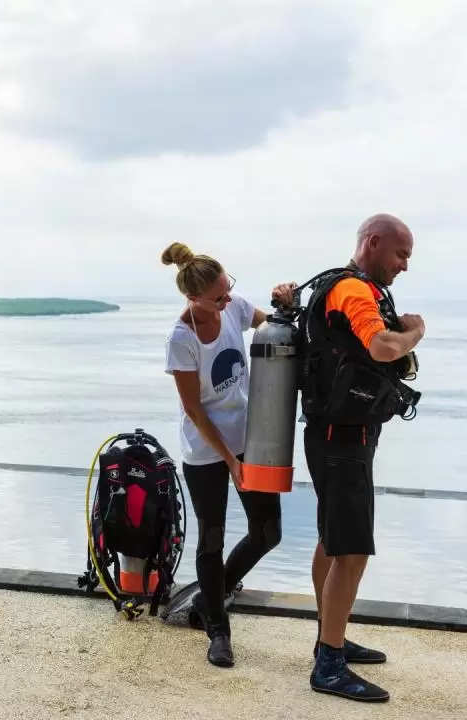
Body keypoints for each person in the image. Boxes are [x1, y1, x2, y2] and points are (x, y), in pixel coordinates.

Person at [271, 213, 425, 703]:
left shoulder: (337, 288)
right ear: (373, 243)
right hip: (343, 439)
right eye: (401, 255)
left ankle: (328, 637)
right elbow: (382, 348)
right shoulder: (354, 291)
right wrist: (414, 333)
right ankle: (329, 665)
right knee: (352, 548)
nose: (404, 266)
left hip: (331, 433)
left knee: (332, 540)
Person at [161, 242, 283, 669]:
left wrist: (287, 307)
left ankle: (208, 598)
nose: (228, 299)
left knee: (268, 532)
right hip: (206, 451)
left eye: (227, 287)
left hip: (252, 441)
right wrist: (230, 461)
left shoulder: (233, 309)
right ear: (194, 299)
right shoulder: (182, 339)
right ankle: (218, 631)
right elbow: (194, 411)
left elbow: (274, 328)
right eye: (218, 295)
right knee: (211, 539)